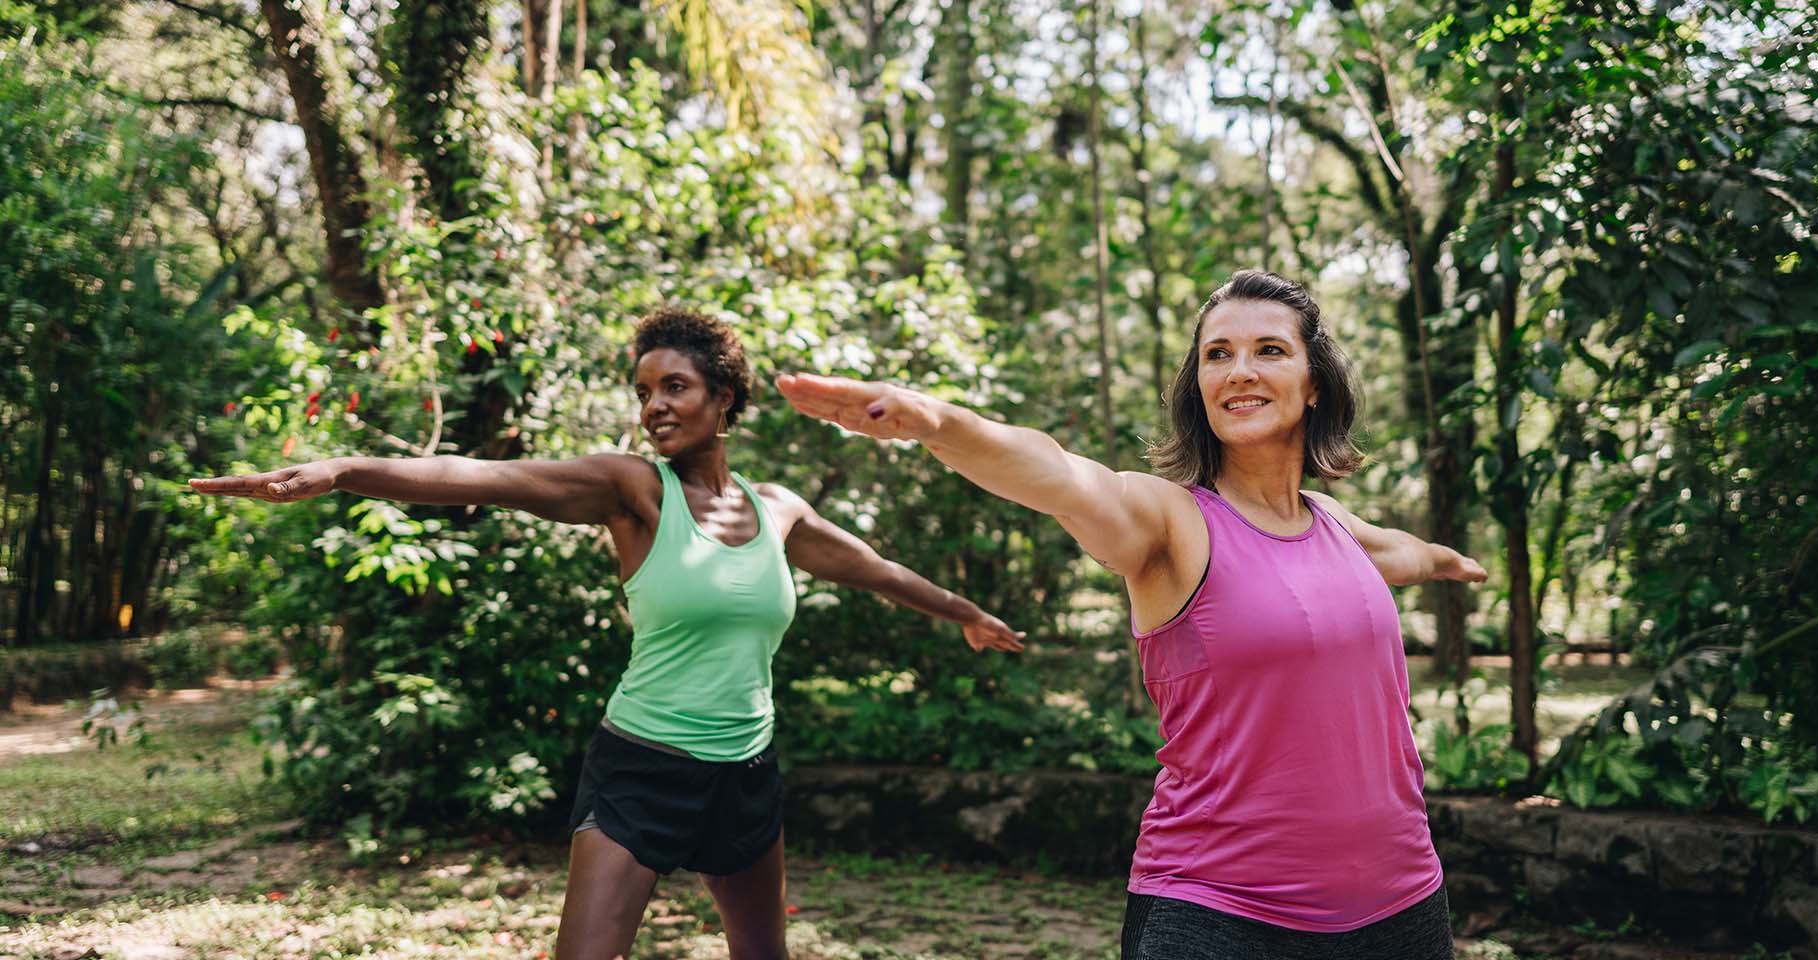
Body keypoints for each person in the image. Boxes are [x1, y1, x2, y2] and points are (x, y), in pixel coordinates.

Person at [190, 307, 1025, 960]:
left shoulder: (776, 511)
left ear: (723, 398)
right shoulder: (632, 490)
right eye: (644, 392)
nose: (654, 407)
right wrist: (342, 472)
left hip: (746, 772)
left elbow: (872, 568)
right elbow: (483, 477)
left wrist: (965, 614)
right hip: (642, 767)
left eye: (675, 387)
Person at [777, 270, 1486, 960]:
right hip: (1222, 915)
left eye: (1269, 349)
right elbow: (1063, 477)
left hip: (1403, 905)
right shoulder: (1172, 521)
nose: (1239, 370)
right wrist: (936, 422)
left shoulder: (1330, 521)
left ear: (1314, 384)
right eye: (1218, 355)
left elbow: (1396, 553)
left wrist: (1444, 559)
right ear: (1199, 387)